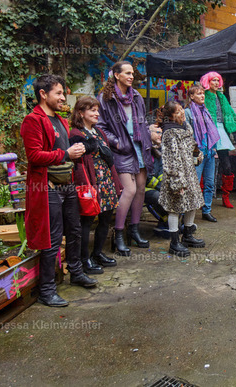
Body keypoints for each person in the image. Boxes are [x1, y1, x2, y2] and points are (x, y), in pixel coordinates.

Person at [20, 74, 97, 307]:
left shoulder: (62, 121)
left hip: (68, 185)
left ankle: (76, 272)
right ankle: (46, 290)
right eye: (59, 93)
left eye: (64, 93)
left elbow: (66, 153)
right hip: (47, 187)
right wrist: (65, 154)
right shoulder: (33, 120)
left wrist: (78, 150)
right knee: (52, 238)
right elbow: (34, 156)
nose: (63, 97)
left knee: (74, 230)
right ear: (43, 94)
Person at [97, 61, 154, 253]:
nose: (131, 76)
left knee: (140, 190)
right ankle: (119, 233)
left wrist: (148, 138)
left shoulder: (136, 96)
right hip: (121, 149)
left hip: (139, 146)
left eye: (132, 73)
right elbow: (100, 126)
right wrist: (117, 142)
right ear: (116, 75)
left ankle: (134, 231)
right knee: (128, 190)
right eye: (127, 73)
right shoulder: (105, 98)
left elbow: (142, 121)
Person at [70, 96, 123, 273]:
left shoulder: (99, 132)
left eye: (97, 110)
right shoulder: (76, 134)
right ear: (81, 112)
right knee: (87, 220)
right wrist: (85, 185)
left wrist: (116, 182)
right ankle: (84, 260)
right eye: (92, 110)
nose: (97, 113)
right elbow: (79, 163)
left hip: (105, 179)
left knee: (106, 218)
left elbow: (109, 159)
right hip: (91, 182)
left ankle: (97, 253)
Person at [200, 71, 236, 209]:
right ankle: (201, 198)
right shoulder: (203, 96)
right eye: (213, 80)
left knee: (227, 166)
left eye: (218, 80)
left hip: (221, 133)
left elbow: (231, 115)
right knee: (205, 166)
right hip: (208, 133)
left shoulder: (221, 97)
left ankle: (225, 196)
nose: (216, 83)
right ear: (207, 82)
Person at [159, 101, 206, 257]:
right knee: (175, 207)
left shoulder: (186, 128)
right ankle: (174, 243)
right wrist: (177, 182)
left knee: (192, 203)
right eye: (178, 111)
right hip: (177, 176)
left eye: (181, 109)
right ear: (171, 116)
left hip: (189, 173)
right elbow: (171, 159)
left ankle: (187, 235)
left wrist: (197, 155)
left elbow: (192, 147)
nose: (182, 113)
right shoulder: (169, 133)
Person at [185, 84, 220, 222]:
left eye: (203, 93)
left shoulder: (206, 111)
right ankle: (188, 215)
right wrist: (194, 150)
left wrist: (214, 148)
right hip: (196, 153)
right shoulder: (188, 113)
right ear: (191, 96)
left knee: (210, 183)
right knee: (194, 184)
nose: (202, 96)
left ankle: (207, 211)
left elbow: (212, 131)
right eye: (198, 93)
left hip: (209, 152)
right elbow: (186, 134)